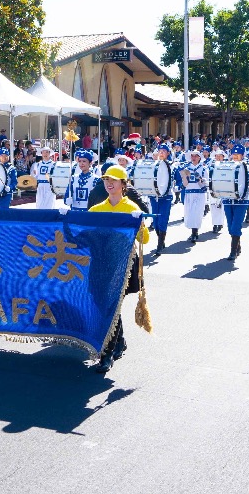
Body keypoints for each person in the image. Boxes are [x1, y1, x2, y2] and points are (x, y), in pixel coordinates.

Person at [88, 165, 150, 373]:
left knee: (111, 306)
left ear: (124, 184)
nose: (109, 183)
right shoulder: (96, 210)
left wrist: (139, 224)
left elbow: (145, 239)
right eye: (106, 180)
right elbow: (86, 233)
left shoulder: (131, 208)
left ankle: (106, 355)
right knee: (108, 305)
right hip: (102, 264)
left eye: (114, 180)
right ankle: (120, 341)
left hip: (123, 266)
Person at [222, 145, 249, 261]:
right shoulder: (226, 167)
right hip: (227, 199)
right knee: (230, 227)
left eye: (238, 154)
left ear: (242, 155)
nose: (235, 156)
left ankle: (233, 252)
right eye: (234, 154)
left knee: (236, 225)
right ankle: (238, 245)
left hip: (242, 201)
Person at [148, 145, 174, 254]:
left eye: (164, 151)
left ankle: (159, 245)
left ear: (168, 153)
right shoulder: (154, 165)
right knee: (155, 222)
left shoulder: (173, 165)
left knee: (163, 220)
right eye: (160, 151)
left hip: (166, 197)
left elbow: (179, 178)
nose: (161, 153)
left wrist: (178, 187)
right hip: (154, 197)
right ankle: (161, 239)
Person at [182, 149, 208, 242]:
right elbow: (184, 184)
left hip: (199, 193)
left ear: (199, 158)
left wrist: (201, 179)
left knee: (196, 213)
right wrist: (184, 177)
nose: (194, 158)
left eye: (196, 156)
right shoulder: (186, 168)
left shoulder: (203, 168)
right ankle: (194, 232)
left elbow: (206, 182)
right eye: (192, 156)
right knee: (189, 213)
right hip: (189, 192)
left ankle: (194, 232)